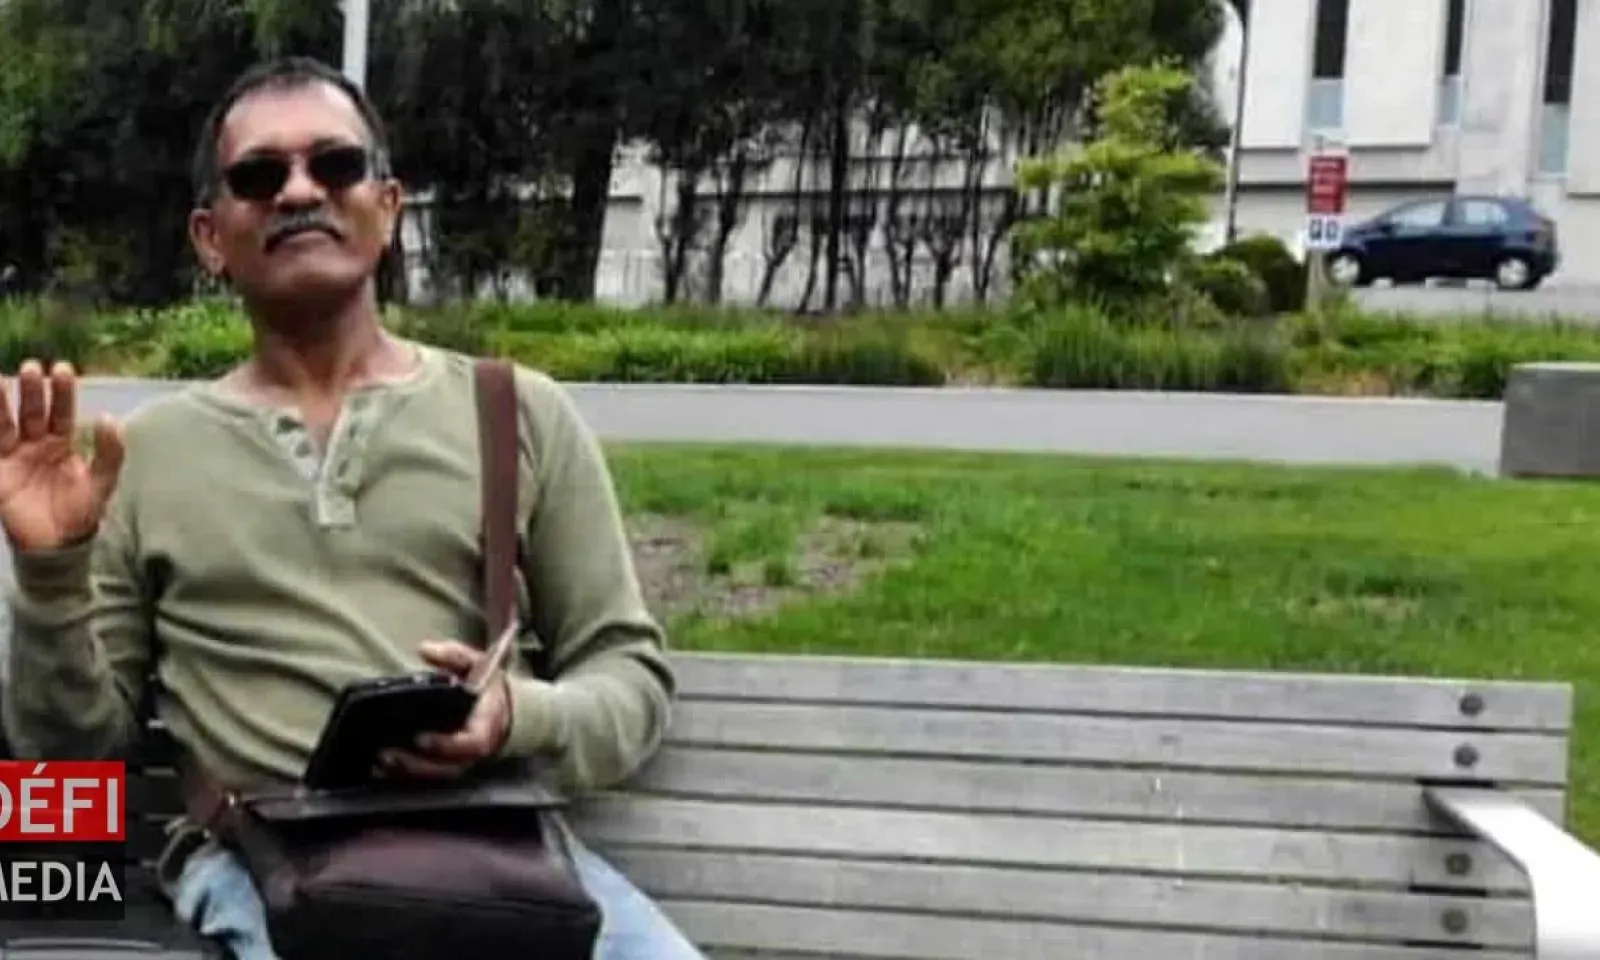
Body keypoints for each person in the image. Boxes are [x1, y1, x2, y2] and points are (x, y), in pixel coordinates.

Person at [0, 56, 704, 960]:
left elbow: (628, 674)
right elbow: (67, 762)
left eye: (335, 164)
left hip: (499, 866)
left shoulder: (516, 413)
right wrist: (51, 573)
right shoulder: (142, 457)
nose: (300, 191)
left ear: (389, 205)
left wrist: (513, 718)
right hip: (270, 871)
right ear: (211, 238)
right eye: (260, 176)